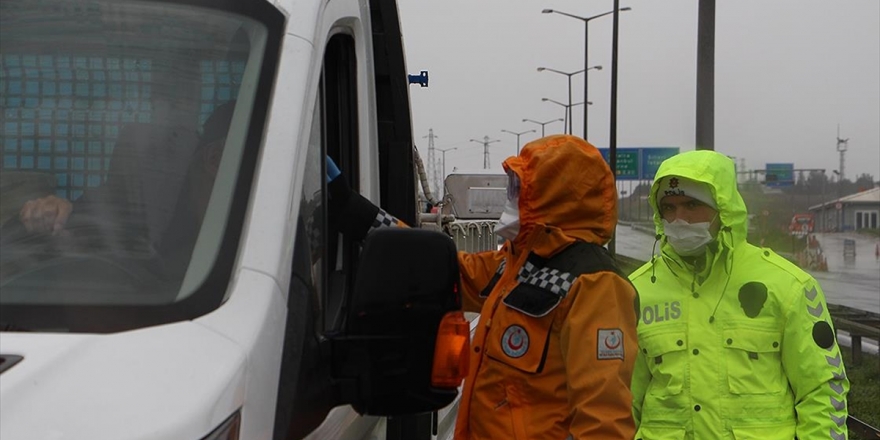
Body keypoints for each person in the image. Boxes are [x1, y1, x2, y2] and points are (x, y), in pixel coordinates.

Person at [328, 134, 638, 439]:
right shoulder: (513, 265)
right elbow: (434, 266)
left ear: (556, 199)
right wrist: (355, 212)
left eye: (520, 189)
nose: (511, 199)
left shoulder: (596, 285)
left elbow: (603, 422)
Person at [629, 150, 849, 440]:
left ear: (723, 208)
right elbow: (622, 402)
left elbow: (822, 390)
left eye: (692, 204)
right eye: (668, 208)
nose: (679, 219)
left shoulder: (788, 286)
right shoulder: (636, 291)